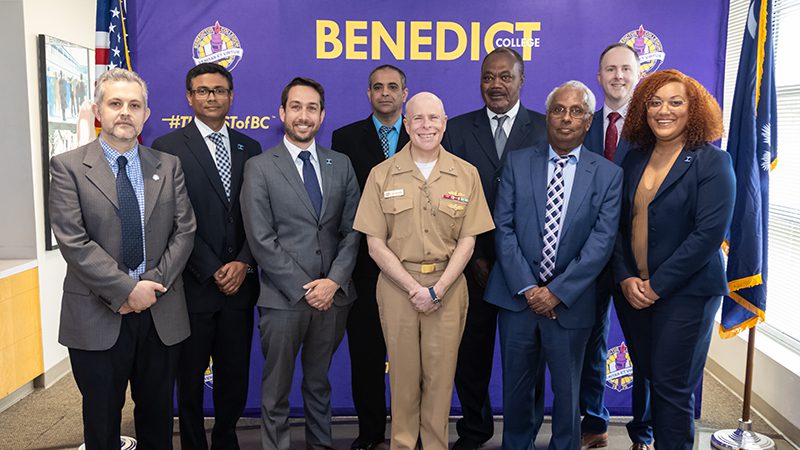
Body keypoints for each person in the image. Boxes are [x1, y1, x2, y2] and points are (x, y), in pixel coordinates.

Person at [48, 68, 196, 449]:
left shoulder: (168, 165)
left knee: (158, 416)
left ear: (147, 114)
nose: (125, 112)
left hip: (160, 313)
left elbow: (185, 231)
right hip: (96, 315)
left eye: (135, 105)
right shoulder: (67, 167)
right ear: (99, 111)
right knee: (101, 419)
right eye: (115, 104)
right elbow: (74, 241)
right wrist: (128, 290)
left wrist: (151, 288)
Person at [485, 81, 622, 450]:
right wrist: (530, 288)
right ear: (547, 116)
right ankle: (517, 445)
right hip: (518, 299)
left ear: (588, 121)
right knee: (517, 389)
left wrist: (557, 292)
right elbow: (504, 228)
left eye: (576, 111)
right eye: (558, 110)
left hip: (571, 302)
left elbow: (601, 242)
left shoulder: (608, 175)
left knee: (568, 391)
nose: (566, 118)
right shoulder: (517, 161)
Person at [353, 92, 493, 450]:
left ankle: (434, 445)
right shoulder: (381, 174)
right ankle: (402, 444)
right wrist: (413, 287)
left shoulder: (466, 173)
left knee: (441, 378)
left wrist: (438, 289)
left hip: (447, 287)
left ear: (444, 123)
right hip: (398, 287)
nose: (426, 126)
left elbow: (468, 241)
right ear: (406, 123)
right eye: (417, 119)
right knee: (402, 377)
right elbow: (374, 244)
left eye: (434, 118)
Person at [613, 69, 735, 450]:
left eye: (675, 102)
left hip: (687, 293)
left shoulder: (712, 162)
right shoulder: (633, 159)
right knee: (650, 374)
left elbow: (706, 237)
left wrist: (658, 285)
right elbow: (614, 225)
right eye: (654, 102)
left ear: (693, 109)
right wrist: (625, 278)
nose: (663, 110)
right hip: (634, 290)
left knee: (672, 386)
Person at [240, 77, 361, 450]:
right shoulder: (260, 167)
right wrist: (304, 288)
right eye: (296, 107)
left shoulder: (340, 164)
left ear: (322, 116)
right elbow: (261, 239)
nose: (303, 116)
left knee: (319, 384)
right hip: (283, 300)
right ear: (282, 113)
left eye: (311, 108)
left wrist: (333, 282)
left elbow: (354, 229)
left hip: (333, 298)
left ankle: (321, 445)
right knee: (275, 391)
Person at [151, 62, 261, 450]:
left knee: (235, 375)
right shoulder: (166, 148)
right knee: (190, 375)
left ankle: (227, 440)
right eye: (202, 91)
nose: (211, 97)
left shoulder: (251, 147)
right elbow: (169, 221)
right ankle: (194, 443)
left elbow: (258, 217)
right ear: (189, 97)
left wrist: (245, 261)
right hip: (193, 285)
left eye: (218, 90)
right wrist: (213, 268)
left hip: (240, 286)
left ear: (231, 97)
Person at [441, 47, 547, 450]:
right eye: (489, 77)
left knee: (528, 363)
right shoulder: (456, 129)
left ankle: (525, 434)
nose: (496, 85)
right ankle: (475, 429)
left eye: (506, 77)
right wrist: (476, 257)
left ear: (521, 81)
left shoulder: (544, 127)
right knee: (471, 358)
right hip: (472, 266)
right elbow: (448, 199)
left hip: (530, 270)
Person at [330, 64, 410, 450]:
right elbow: (343, 205)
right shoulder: (345, 138)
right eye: (377, 87)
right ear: (368, 94)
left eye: (392, 87)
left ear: (404, 93)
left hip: (416, 269)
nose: (385, 93)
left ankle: (411, 432)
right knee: (366, 356)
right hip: (363, 267)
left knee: (414, 359)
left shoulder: (423, 133)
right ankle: (370, 431)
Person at [579, 42, 650, 449]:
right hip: (588, 255)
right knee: (590, 342)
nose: (618, 76)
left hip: (638, 257)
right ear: (599, 75)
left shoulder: (654, 125)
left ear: (637, 74)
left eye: (626, 68)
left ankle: (644, 430)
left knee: (646, 348)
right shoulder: (582, 124)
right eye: (610, 69)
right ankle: (594, 422)